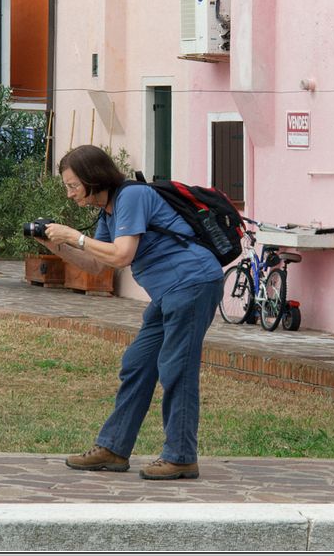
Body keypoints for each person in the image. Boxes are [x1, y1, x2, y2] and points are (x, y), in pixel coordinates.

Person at [35, 145, 224, 480]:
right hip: (168, 293)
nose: (70, 194)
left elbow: (122, 255)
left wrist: (75, 236)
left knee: (176, 368)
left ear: (93, 179)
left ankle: (181, 456)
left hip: (192, 283)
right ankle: (114, 448)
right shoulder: (110, 209)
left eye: (73, 185)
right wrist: (57, 245)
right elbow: (97, 264)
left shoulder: (132, 196)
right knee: (137, 363)